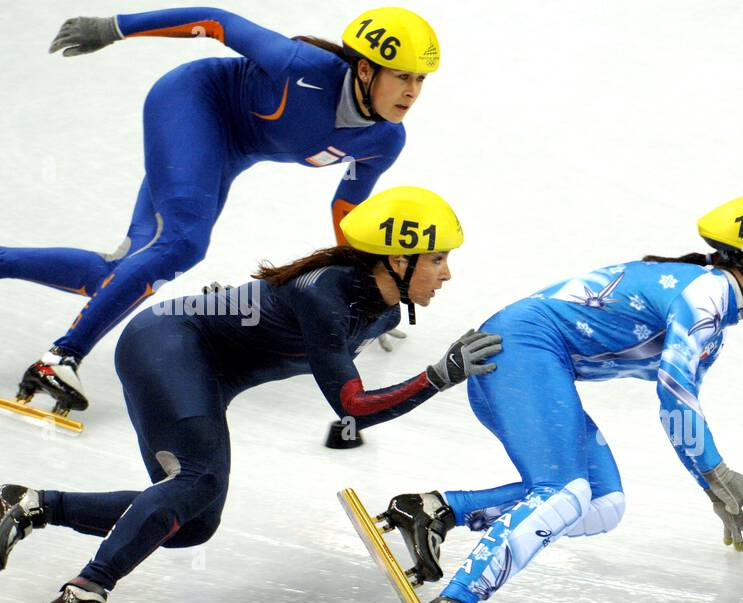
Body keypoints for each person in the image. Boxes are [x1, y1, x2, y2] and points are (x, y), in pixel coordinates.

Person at [0, 187, 501, 603]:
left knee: (193, 522)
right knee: (197, 479)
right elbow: (352, 407)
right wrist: (437, 376)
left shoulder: (383, 310)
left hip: (206, 371)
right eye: (437, 259)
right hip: (167, 343)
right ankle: (87, 588)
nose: (447, 274)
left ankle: (32, 505)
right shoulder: (324, 294)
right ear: (397, 258)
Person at [373, 193, 743, 603]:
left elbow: (682, 401)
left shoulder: (712, 317)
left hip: (531, 358)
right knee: (564, 492)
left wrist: (712, 483)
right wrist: (715, 472)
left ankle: (437, 510)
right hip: (520, 350)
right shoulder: (705, 295)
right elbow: (675, 397)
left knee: (603, 504)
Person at [0, 6, 439, 417]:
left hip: (231, 150)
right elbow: (217, 21)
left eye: (421, 80)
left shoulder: (384, 140)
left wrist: (365, 288)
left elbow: (347, 208)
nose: (412, 93)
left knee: (119, 276)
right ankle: (59, 358)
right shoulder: (300, 65)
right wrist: (115, 27)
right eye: (402, 77)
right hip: (193, 101)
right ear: (365, 69)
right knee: (182, 245)